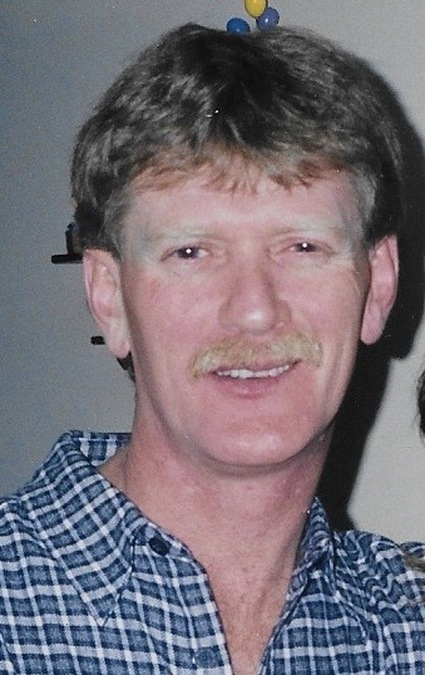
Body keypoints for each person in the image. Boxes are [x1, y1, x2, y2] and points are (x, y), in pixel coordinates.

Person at [1, 22, 424, 675]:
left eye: (303, 246)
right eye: (191, 252)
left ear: (378, 287)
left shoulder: (407, 627)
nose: (254, 309)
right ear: (110, 297)